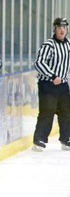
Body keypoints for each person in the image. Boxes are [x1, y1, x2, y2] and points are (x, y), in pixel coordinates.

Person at [32, 17, 70, 152]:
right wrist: (53, 76)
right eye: (59, 27)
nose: (62, 30)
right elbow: (39, 62)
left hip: (63, 85)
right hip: (48, 84)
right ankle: (39, 139)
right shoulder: (49, 44)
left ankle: (66, 139)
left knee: (66, 111)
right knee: (48, 111)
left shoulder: (68, 44)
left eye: (64, 27)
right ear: (55, 29)